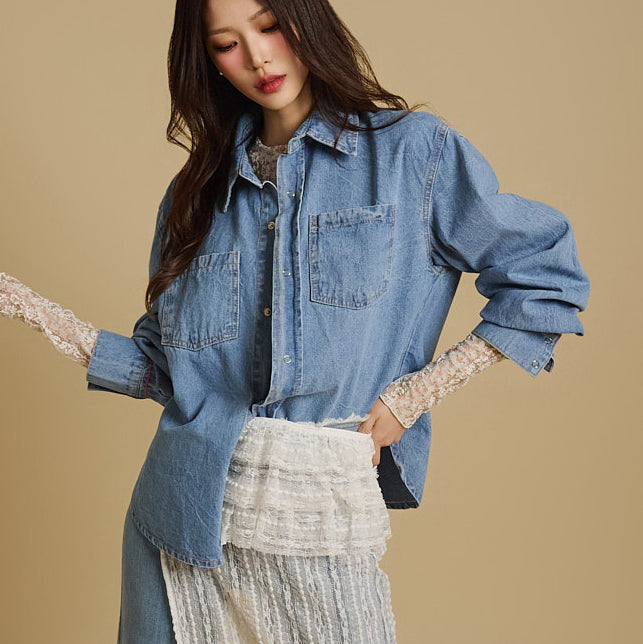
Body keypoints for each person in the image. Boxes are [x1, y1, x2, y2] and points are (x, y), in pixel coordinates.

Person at [0, 0, 591, 641]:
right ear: (210, 62)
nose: (257, 58)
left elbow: (545, 274)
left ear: (306, 18)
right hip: (181, 527)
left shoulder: (411, 155)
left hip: (325, 516)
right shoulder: (193, 198)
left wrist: (413, 397)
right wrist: (22, 303)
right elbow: (169, 372)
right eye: (227, 44)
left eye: (269, 26)